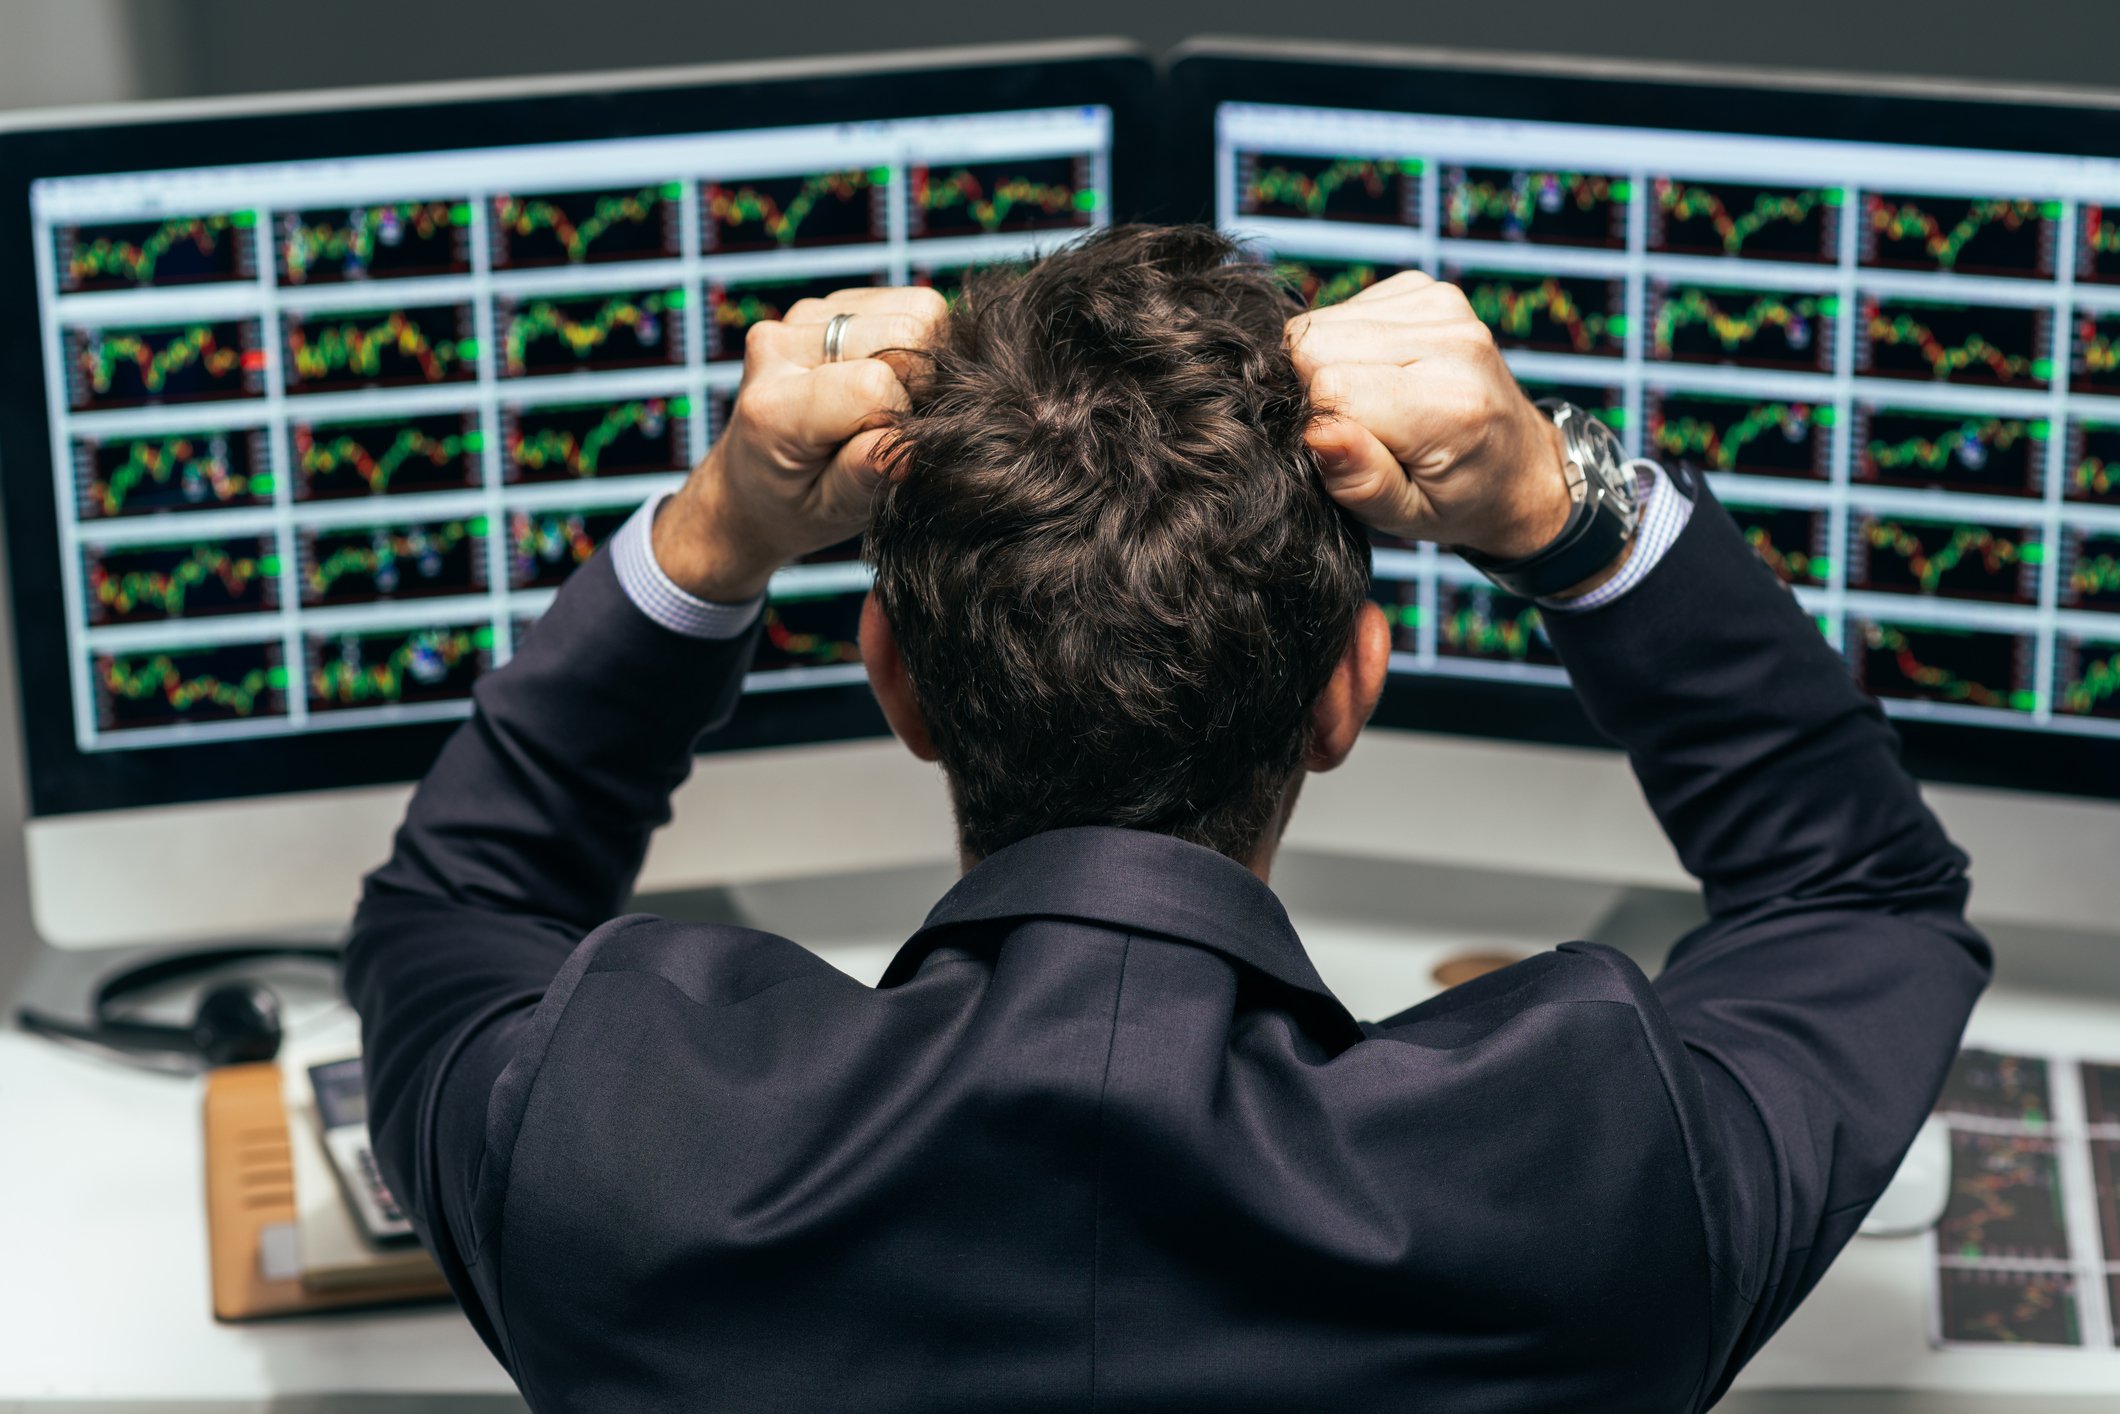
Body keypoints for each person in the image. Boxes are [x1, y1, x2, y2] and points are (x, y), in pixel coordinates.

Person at [344, 225, 1990, 1412]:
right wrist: (1568, 510)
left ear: (892, 682)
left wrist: (714, 535)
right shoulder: (1593, 1178)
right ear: (1348, 694)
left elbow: (453, 912)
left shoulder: (606, 1144)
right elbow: (1862, 904)